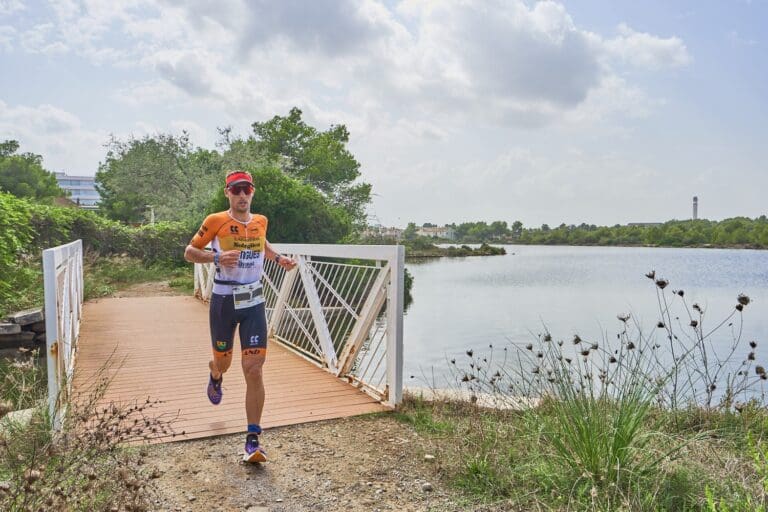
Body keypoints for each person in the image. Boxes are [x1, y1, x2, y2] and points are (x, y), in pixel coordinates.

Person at [184, 170, 297, 463]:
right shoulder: (215, 221)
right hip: (223, 300)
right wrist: (217, 257)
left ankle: (252, 439)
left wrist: (278, 258)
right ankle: (215, 373)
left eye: (246, 189)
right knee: (225, 361)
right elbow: (189, 252)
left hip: (254, 301)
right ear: (228, 193)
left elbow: (263, 244)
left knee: (254, 368)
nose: (242, 195)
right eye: (236, 190)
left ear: (253, 192)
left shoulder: (260, 221)